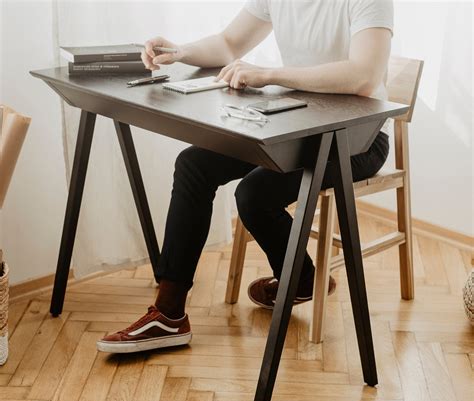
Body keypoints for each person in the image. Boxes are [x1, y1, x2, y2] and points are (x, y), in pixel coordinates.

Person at [97, 0, 393, 353]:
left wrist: (270, 74)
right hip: (297, 120)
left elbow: (364, 76)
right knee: (194, 165)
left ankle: (300, 279)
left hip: (359, 137)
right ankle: (169, 314)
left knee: (254, 194)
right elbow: (229, 44)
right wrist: (180, 51)